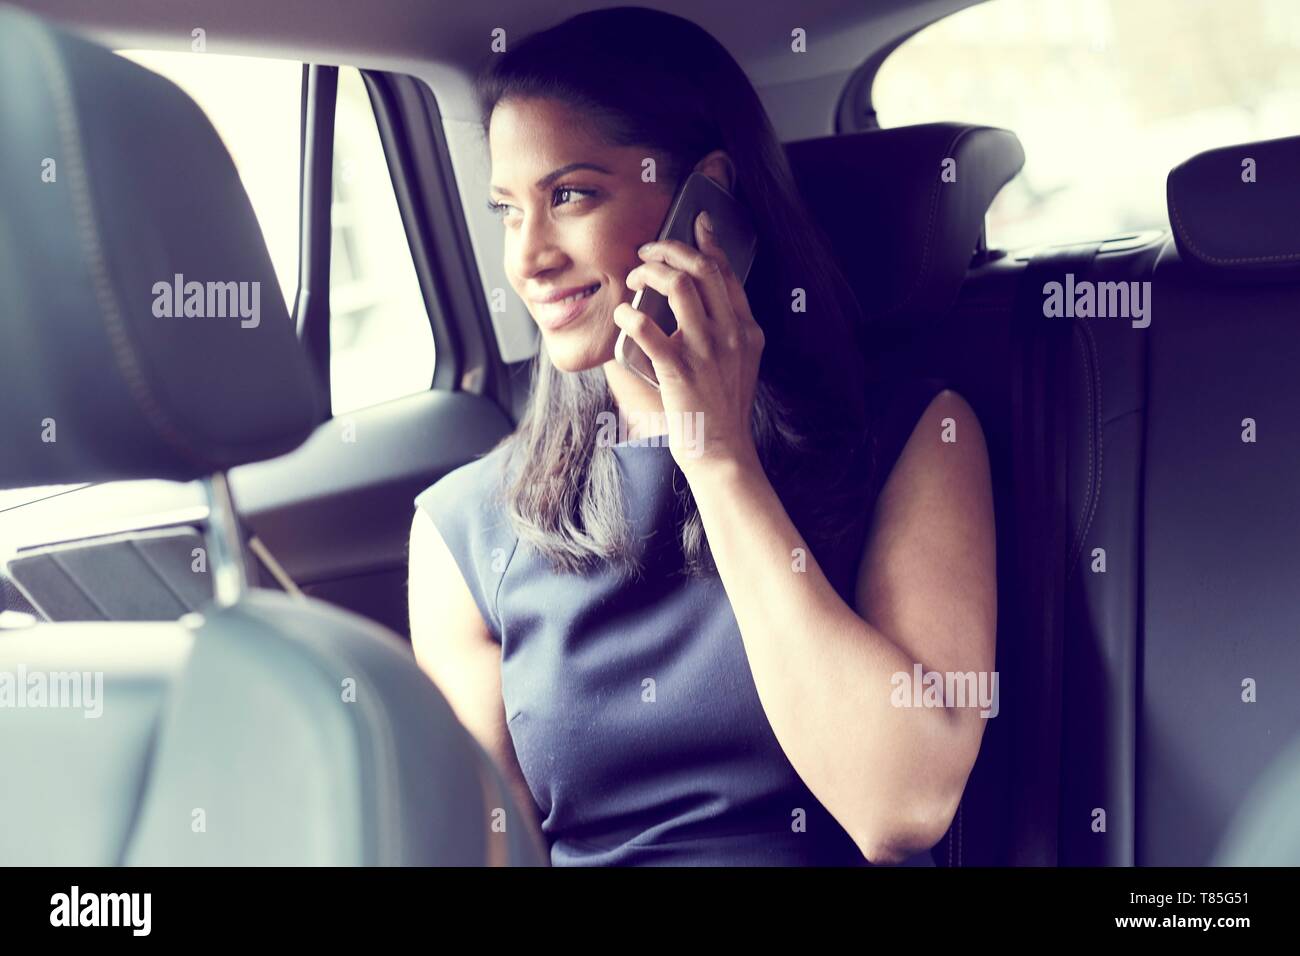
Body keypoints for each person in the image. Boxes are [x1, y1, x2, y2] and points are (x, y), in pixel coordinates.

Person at [408, 6, 996, 867]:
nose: (528, 256)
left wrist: (717, 458)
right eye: (508, 209)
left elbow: (900, 805)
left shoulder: (917, 438)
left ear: (706, 205)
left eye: (570, 195)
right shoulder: (465, 530)